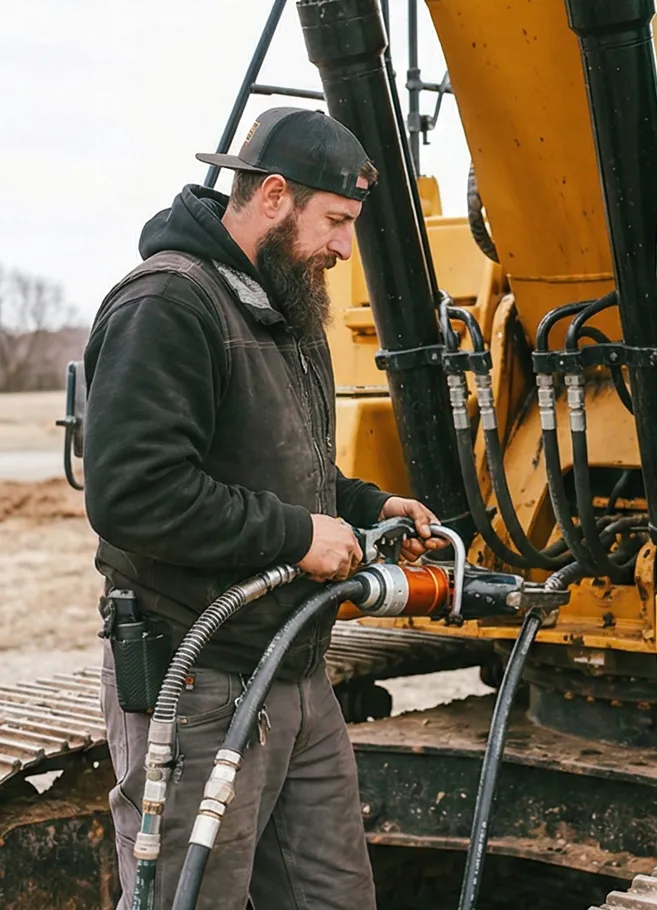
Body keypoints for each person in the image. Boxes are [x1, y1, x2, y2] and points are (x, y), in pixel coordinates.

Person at [83, 107, 445, 910]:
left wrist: (365, 502)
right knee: (192, 897)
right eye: (338, 222)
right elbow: (132, 494)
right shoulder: (169, 304)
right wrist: (295, 535)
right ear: (274, 195)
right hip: (195, 673)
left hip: (294, 670)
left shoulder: (284, 303)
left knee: (333, 897)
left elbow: (286, 472)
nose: (345, 249)